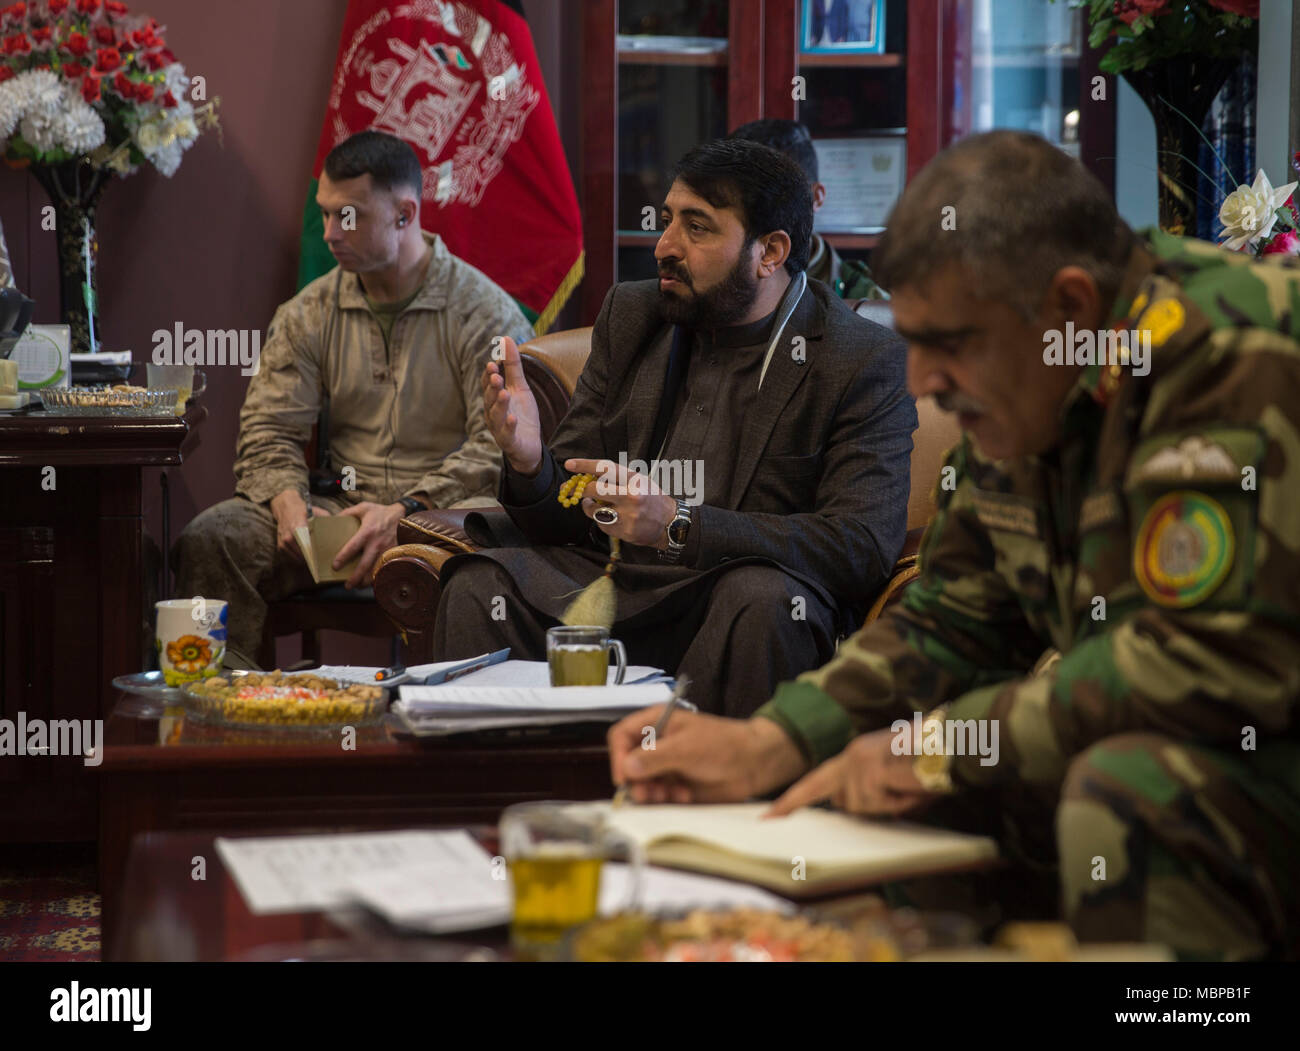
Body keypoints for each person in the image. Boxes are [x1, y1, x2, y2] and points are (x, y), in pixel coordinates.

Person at [607, 129, 1300, 960]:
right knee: (867, 799)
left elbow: (1199, 662)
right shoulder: (1031, 383)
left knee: (1127, 791)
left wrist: (938, 747)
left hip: (1254, 737)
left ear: (1069, 309)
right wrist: (775, 739)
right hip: (1190, 736)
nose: (920, 383)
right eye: (913, 339)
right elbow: (947, 618)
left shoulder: (1231, 353)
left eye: (949, 344)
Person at [431, 138, 915, 717]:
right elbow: (565, 511)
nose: (664, 246)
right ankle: (508, 800)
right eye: (667, 221)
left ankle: (708, 798)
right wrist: (531, 461)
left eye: (698, 228)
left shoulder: (858, 358)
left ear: (771, 252)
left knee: (760, 600)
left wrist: (680, 527)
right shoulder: (635, 315)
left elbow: (858, 547)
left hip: (736, 598)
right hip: (616, 579)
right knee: (479, 587)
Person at [174, 130, 534, 666]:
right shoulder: (308, 312)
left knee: (499, 554)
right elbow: (268, 431)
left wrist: (407, 511)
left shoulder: (484, 313)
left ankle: (455, 729)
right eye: (323, 214)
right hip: (337, 516)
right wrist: (286, 501)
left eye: (348, 217)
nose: (329, 233)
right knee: (214, 538)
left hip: (442, 521)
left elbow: (498, 449)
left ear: (405, 214)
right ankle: (224, 723)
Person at [730, 118, 885, 301]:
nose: (753, 211)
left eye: (776, 196)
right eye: (739, 198)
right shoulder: (714, 283)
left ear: (816, 197)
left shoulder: (868, 302)